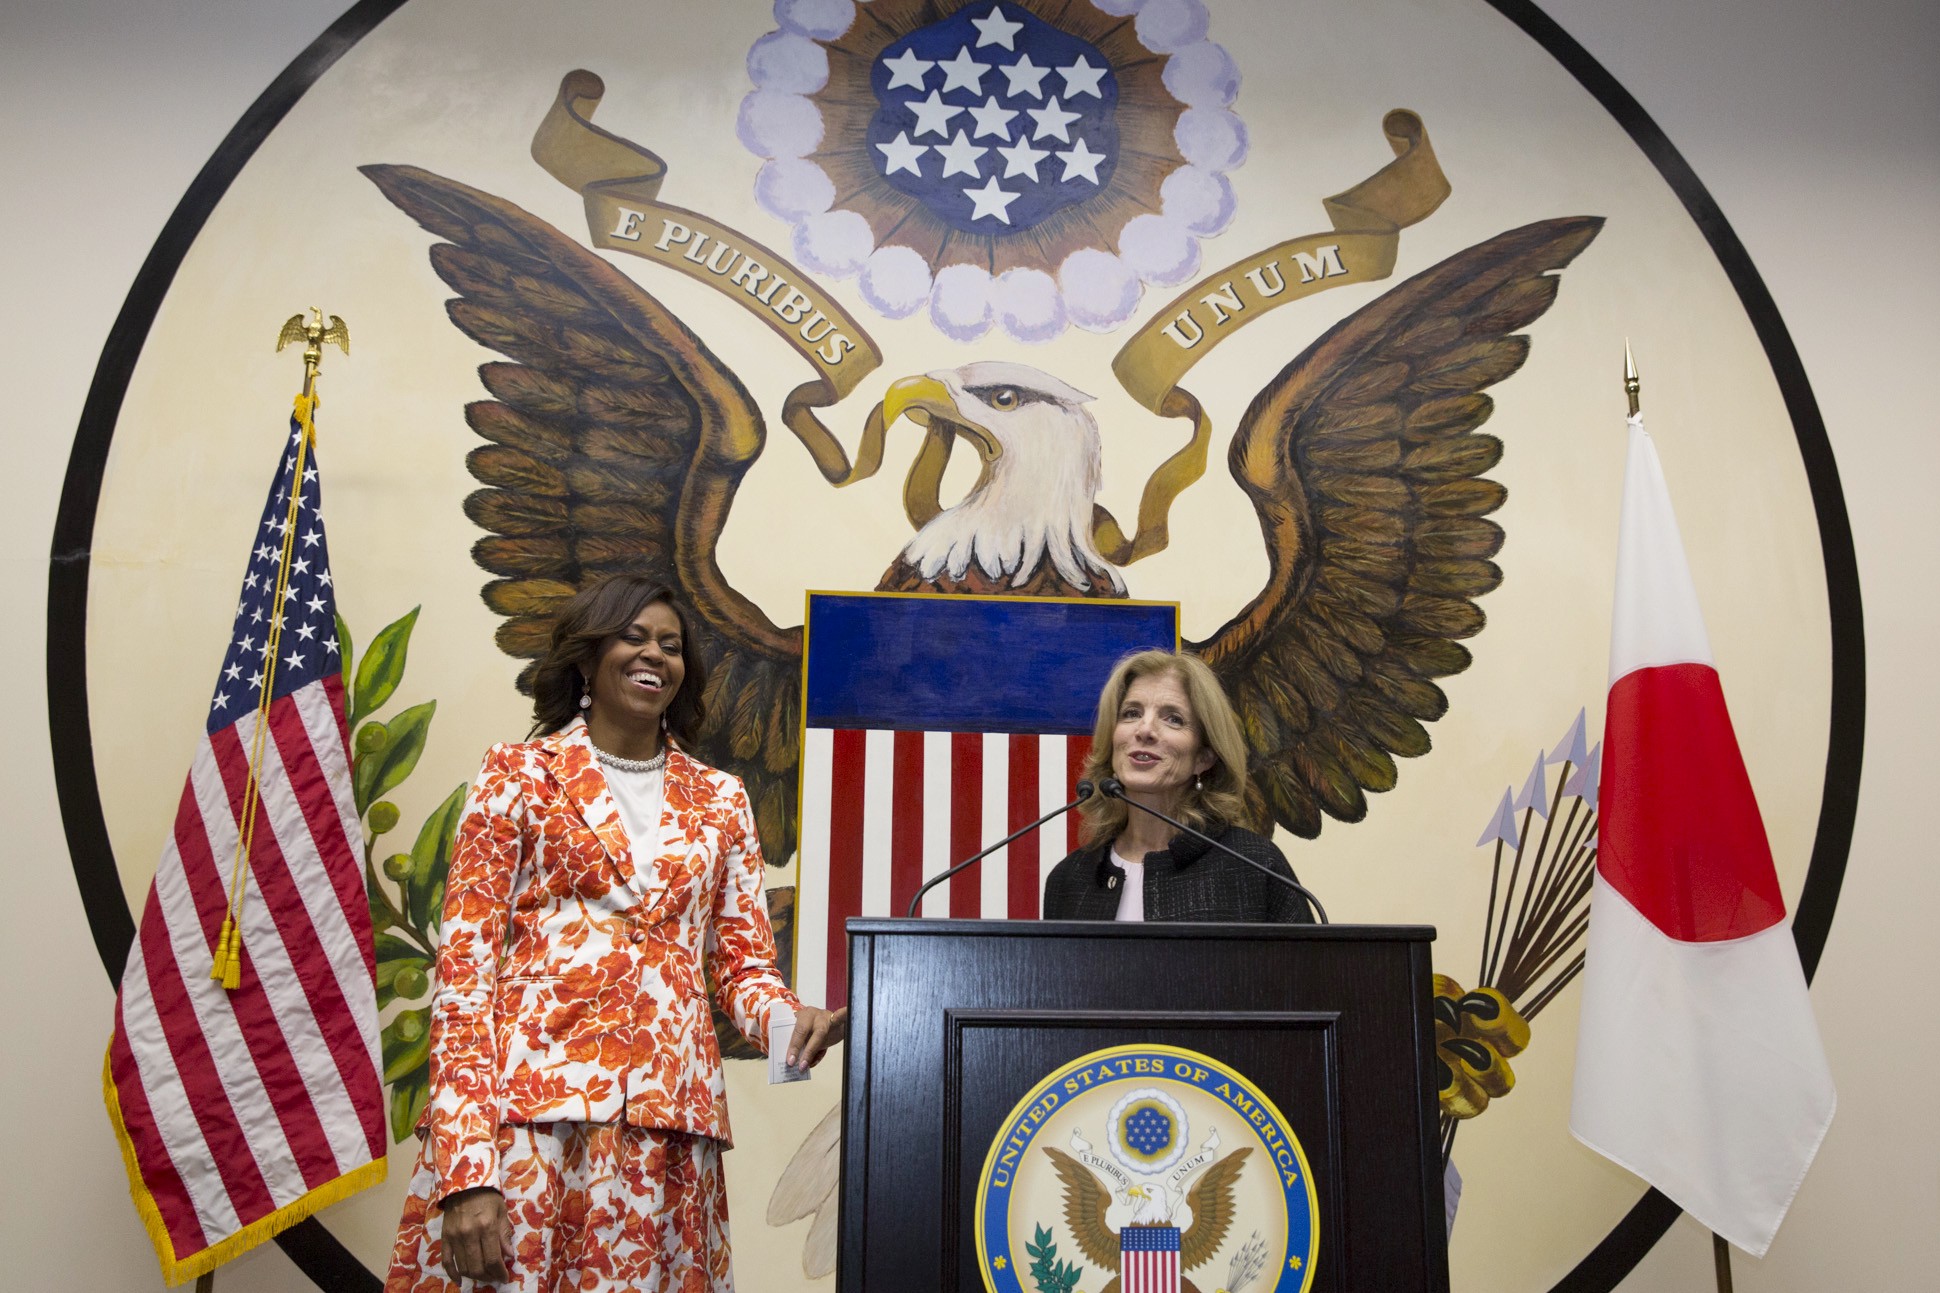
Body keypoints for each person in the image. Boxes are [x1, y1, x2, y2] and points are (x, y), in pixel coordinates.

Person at [386, 575, 845, 1292]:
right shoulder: (517, 775)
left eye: (671, 643)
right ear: (589, 655)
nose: (655, 653)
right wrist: (466, 1168)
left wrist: (792, 1025)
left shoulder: (721, 798)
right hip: (531, 1127)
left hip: (667, 1137)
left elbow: (742, 965)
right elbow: (464, 981)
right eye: (634, 635)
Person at [1041, 649, 1315, 924]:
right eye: (1131, 713)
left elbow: (1308, 967)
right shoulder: (1069, 880)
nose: (1144, 730)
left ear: (1203, 757)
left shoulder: (1253, 866)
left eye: (1173, 718)